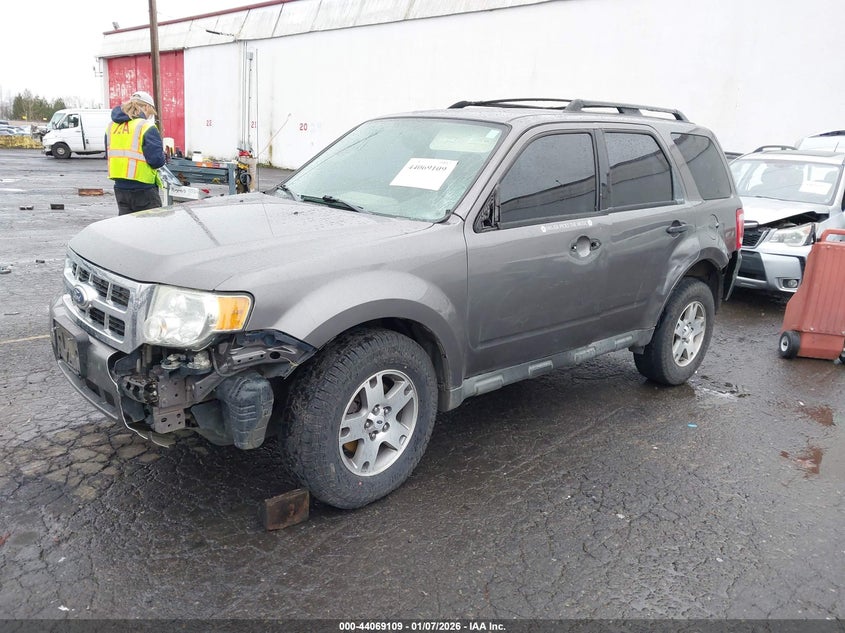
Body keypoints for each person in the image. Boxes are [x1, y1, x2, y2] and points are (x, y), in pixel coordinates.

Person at [106, 90, 166, 215]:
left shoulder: (111, 127)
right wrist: (163, 155)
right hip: (144, 189)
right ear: (146, 107)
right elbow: (156, 161)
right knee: (151, 228)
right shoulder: (146, 126)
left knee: (128, 230)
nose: (150, 116)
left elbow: (110, 154)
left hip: (120, 188)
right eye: (150, 112)